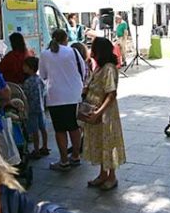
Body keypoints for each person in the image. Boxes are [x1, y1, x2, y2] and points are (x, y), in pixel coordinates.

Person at [81, 37, 126, 190]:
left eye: (93, 49)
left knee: (108, 143)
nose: (91, 51)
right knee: (99, 142)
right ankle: (102, 174)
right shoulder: (99, 67)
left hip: (105, 114)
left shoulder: (108, 68)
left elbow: (111, 94)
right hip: (95, 112)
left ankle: (111, 176)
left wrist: (99, 112)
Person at [40, 28, 87, 171]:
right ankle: (76, 156)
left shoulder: (45, 54)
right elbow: (83, 70)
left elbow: (43, 75)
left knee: (60, 129)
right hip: (73, 95)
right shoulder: (73, 51)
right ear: (65, 39)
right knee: (74, 127)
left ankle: (64, 160)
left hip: (55, 96)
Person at [22, 57, 50, 159]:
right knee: (43, 128)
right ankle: (45, 147)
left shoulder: (28, 82)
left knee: (34, 131)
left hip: (31, 109)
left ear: (30, 68)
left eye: (25, 66)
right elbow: (44, 92)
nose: (23, 68)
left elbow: (25, 95)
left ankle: (36, 150)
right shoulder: (40, 80)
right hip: (41, 107)